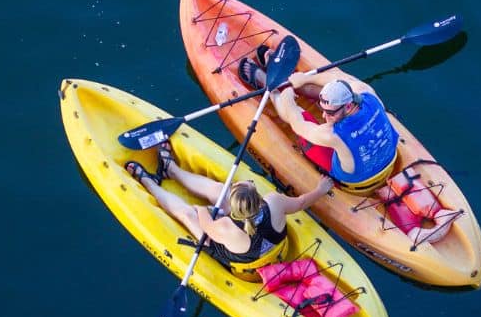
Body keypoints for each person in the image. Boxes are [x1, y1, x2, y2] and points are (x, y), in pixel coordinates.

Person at [125, 142, 334, 282]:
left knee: (188, 214)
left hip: (247, 269)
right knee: (218, 190)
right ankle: (171, 169)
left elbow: (205, 222)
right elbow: (301, 202)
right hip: (276, 249)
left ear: (233, 207)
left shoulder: (225, 226)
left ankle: (149, 182)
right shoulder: (274, 202)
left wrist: (201, 209)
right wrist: (320, 190)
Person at [247, 58, 399, 194]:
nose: (324, 116)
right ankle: (291, 81)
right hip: (388, 162)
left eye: (330, 113)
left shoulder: (332, 135)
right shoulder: (367, 92)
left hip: (356, 181)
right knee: (323, 93)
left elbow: (298, 124)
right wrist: (306, 78)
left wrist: (287, 98)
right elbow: (341, 79)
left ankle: (270, 88)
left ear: (348, 106)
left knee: (298, 112)